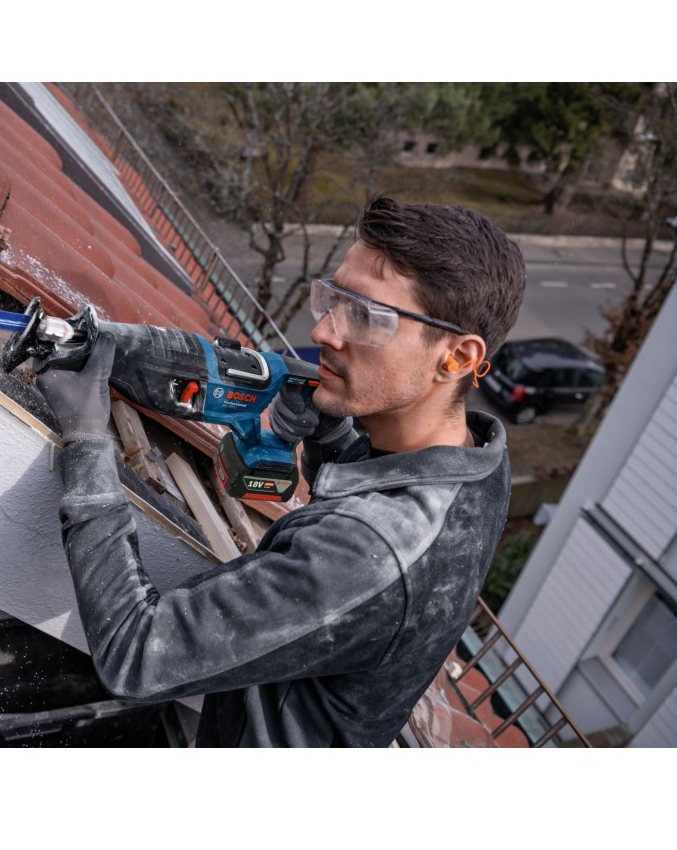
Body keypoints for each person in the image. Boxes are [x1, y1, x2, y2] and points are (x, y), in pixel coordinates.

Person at [35, 195, 526, 747]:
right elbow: (382, 505)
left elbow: (136, 653)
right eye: (334, 299)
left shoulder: (368, 552)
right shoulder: (479, 460)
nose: (323, 334)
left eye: (366, 316)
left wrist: (87, 439)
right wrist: (330, 436)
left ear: (457, 358)